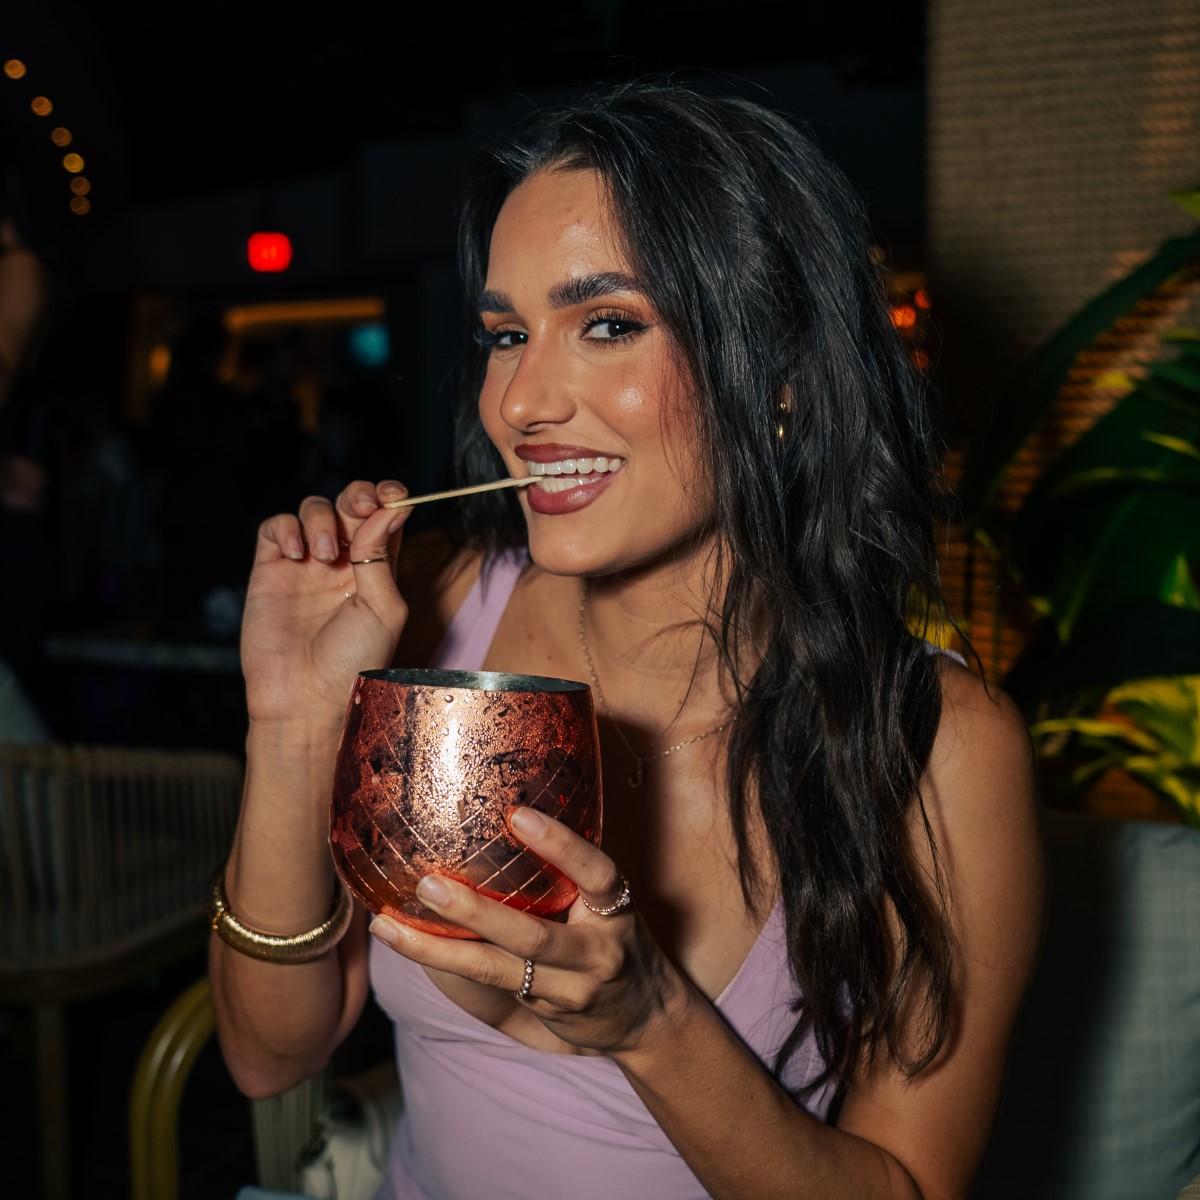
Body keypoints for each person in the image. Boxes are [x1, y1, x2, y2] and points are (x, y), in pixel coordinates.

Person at [210, 81, 1044, 1200]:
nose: (522, 401)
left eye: (606, 323)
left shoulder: (939, 745)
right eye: (506, 335)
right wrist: (294, 721)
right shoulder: (427, 613)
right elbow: (270, 1057)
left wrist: (651, 1020)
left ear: (782, 368)